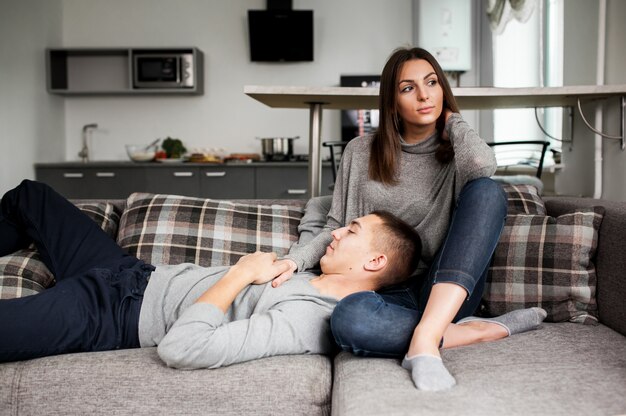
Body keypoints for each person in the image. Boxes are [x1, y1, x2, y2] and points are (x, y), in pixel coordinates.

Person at [271, 47, 540, 391]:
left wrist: (452, 120)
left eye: (432, 83)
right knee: (348, 321)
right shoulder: (360, 152)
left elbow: (483, 167)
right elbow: (335, 223)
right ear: (392, 101)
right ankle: (473, 330)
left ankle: (426, 340)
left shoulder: (458, 154)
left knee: (487, 191)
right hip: (383, 293)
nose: (425, 95)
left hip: (445, 286)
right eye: (408, 88)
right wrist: (295, 261)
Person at [0, 179, 423, 366]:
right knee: (29, 196)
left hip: (110, 314)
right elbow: (317, 205)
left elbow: (183, 348)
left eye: (352, 231)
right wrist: (296, 259)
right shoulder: (310, 268)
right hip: (127, 272)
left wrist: (239, 274)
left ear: (375, 262)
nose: (337, 234)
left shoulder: (310, 319)